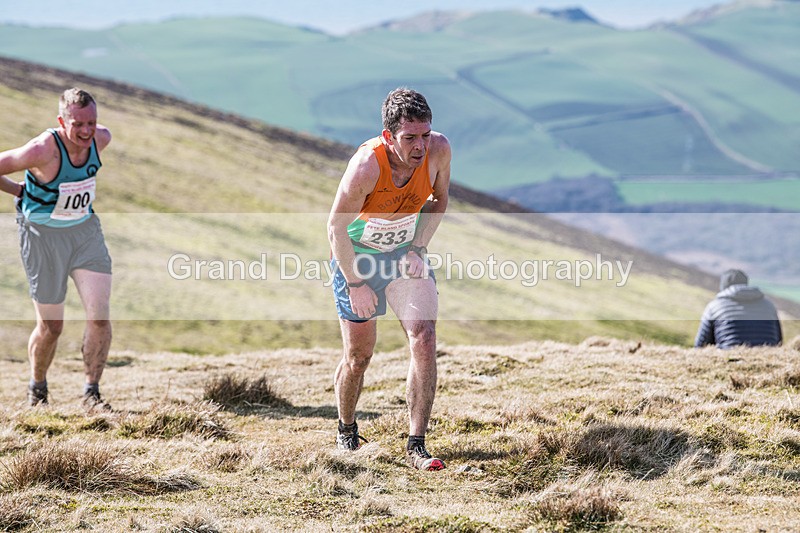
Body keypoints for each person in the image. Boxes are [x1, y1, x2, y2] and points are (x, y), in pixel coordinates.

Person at [327, 88, 451, 471]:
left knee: (424, 337)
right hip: (357, 260)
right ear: (388, 136)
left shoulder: (438, 151)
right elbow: (336, 228)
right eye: (410, 137)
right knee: (359, 357)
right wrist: (355, 283)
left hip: (403, 256)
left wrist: (418, 246)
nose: (420, 146)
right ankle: (347, 429)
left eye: (425, 135)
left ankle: (417, 444)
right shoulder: (366, 167)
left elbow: (438, 200)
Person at [0, 87, 113, 409]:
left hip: (85, 234)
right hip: (42, 238)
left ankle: (91, 394)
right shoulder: (41, 149)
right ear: (62, 122)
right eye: (78, 124)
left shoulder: (102, 139)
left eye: (91, 122)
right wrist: (17, 190)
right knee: (52, 327)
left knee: (99, 316)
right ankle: (37, 388)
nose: (87, 131)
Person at [694, 269, 782, 349]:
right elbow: (779, 341)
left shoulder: (714, 306)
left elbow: (701, 344)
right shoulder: (769, 305)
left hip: (729, 356)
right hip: (767, 355)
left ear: (723, 286)